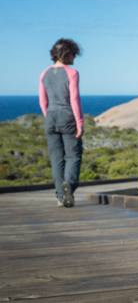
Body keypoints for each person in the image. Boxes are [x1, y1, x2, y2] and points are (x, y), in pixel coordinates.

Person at [39, 38, 83, 208]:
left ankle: (60, 197)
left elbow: (43, 102)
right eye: (73, 53)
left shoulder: (44, 74)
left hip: (50, 118)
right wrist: (79, 123)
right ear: (66, 53)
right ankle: (69, 187)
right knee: (73, 156)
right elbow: (74, 99)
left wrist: (49, 116)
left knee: (56, 158)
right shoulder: (72, 73)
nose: (75, 57)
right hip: (67, 117)